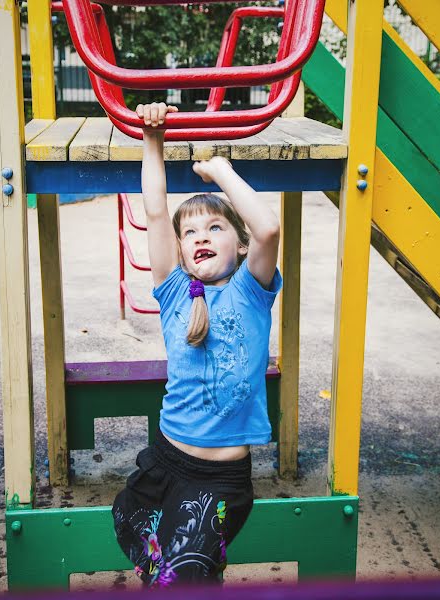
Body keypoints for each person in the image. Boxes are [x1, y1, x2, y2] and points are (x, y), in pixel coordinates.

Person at [112, 102, 283, 587]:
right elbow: (154, 209)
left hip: (218, 479)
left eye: (215, 228)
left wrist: (220, 171)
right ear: (182, 250)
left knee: (182, 576)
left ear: (240, 245)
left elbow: (268, 227)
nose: (200, 236)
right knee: (137, 536)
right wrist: (153, 138)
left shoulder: (250, 291)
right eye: (190, 233)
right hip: (165, 458)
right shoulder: (173, 293)